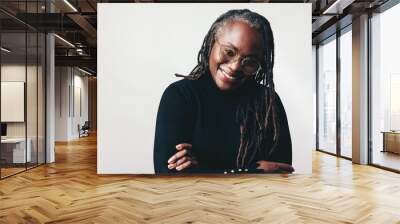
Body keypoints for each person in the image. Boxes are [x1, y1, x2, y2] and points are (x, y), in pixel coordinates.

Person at [153, 9, 293, 174]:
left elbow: (281, 170)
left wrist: (201, 168)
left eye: (250, 62)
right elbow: (167, 172)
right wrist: (252, 170)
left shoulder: (268, 102)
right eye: (229, 52)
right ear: (212, 42)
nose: (235, 67)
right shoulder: (179, 96)